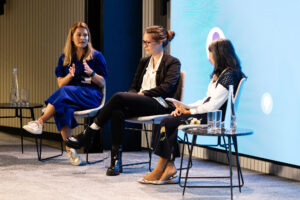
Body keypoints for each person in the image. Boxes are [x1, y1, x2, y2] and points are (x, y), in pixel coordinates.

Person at [65, 25, 181, 176]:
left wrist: (142, 95)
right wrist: (133, 97)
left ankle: (89, 133)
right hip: (142, 102)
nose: (145, 45)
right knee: (117, 111)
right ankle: (115, 162)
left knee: (119, 97)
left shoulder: (173, 62)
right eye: (144, 42)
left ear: (160, 42)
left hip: (160, 104)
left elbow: (166, 88)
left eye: (148, 42)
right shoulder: (144, 62)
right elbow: (134, 88)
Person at [138, 39, 246, 184]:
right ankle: (168, 165)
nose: (209, 57)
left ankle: (162, 167)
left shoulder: (229, 76)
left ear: (220, 54)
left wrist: (189, 112)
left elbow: (212, 106)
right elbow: (206, 100)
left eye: (211, 54)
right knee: (167, 120)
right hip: (207, 115)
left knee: (168, 122)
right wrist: (186, 107)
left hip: (213, 119)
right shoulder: (221, 74)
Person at [23, 22, 107, 166]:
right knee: (62, 107)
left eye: (85, 35)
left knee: (63, 94)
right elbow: (61, 83)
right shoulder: (65, 58)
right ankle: (71, 150)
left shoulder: (96, 56)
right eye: (79, 35)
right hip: (71, 95)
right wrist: (70, 76)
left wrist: (91, 73)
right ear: (72, 38)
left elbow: (102, 83)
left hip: (90, 95)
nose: (83, 38)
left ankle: (40, 122)